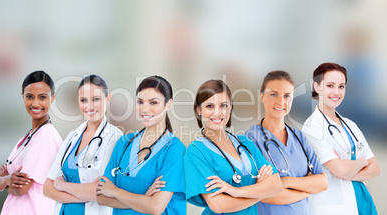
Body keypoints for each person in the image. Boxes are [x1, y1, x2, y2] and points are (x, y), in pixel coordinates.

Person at [184, 79, 283, 214]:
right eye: (209, 106)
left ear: (230, 107)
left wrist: (235, 192)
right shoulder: (196, 152)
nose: (217, 113)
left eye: (223, 105)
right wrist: (260, 191)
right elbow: (219, 205)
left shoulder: (245, 143)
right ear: (198, 110)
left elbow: (276, 184)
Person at [96, 75, 186, 215]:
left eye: (153, 103)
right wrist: (143, 199)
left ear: (168, 104)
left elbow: (155, 207)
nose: (144, 109)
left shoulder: (175, 150)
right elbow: (101, 197)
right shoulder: (124, 143)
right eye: (140, 102)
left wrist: (114, 191)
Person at [302, 62, 380, 215]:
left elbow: (375, 168)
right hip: (334, 204)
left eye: (341, 86)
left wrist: (347, 171)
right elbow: (341, 170)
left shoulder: (350, 125)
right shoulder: (312, 127)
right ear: (317, 87)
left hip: (362, 199)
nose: (336, 92)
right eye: (330, 85)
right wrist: (362, 162)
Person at [245, 71, 327, 214]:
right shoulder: (250, 140)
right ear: (262, 96)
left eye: (287, 96)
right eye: (274, 94)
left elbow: (323, 182)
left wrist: (287, 182)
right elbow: (262, 195)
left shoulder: (299, 137)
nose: (281, 102)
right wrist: (305, 192)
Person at [43, 75, 123, 215]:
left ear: (108, 99)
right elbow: (47, 188)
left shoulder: (115, 138)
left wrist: (62, 185)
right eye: (83, 100)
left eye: (96, 99)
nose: (89, 106)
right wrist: (84, 193)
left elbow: (102, 191)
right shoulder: (72, 137)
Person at [0, 71, 63, 215]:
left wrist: (4, 180)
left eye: (42, 97)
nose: (35, 103)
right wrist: (7, 179)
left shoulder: (45, 138)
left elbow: (20, 189)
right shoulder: (27, 137)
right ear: (22, 96)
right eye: (29, 96)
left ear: (53, 98)